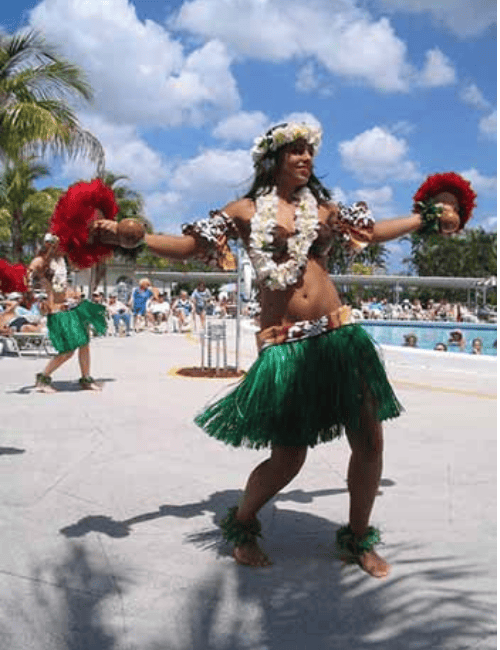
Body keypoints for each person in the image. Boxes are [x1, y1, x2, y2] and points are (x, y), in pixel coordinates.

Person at [92, 122, 473, 578]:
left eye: (309, 150)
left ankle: (357, 539)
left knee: (369, 440)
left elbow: (369, 232)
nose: (305, 157)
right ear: (271, 159)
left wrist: (426, 218)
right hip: (284, 346)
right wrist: (130, 236)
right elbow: (191, 247)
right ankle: (242, 521)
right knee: (289, 457)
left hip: (339, 337)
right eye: (295, 150)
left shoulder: (325, 211)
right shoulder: (245, 210)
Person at [29, 234, 107, 393]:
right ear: (49, 245)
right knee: (68, 351)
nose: (64, 248)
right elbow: (26, 279)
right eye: (60, 244)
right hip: (56, 310)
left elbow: (60, 286)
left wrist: (72, 293)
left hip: (70, 308)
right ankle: (43, 378)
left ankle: (86, 379)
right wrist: (38, 299)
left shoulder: (61, 262)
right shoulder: (41, 261)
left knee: (84, 343)